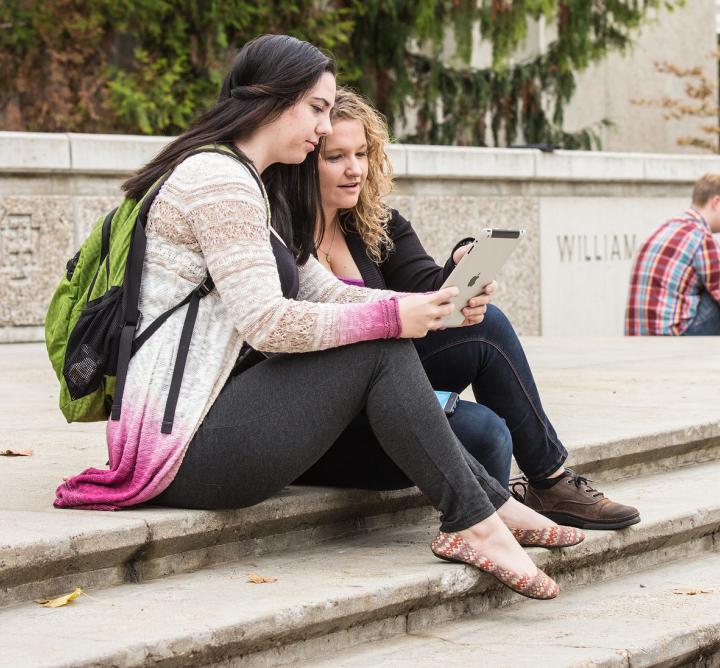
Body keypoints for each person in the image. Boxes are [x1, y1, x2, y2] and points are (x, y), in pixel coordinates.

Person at [53, 35, 584, 600]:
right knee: (379, 346)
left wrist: (418, 308)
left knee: (388, 337)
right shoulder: (218, 183)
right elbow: (268, 323)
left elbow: (321, 291)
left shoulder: (246, 182)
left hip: (203, 430)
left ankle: (489, 510)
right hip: (183, 449)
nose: (326, 127)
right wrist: (391, 319)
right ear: (274, 100)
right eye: (319, 108)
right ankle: (476, 523)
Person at [299, 86, 640, 531]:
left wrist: (462, 264)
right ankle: (493, 520)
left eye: (362, 154)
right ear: (306, 162)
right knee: (483, 431)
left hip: (389, 390)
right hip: (327, 416)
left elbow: (428, 287)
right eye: (335, 157)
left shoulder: (377, 227)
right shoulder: (281, 235)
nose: (354, 170)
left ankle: (548, 482)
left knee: (486, 335)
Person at [626, 172, 720, 336]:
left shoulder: (664, 228)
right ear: (717, 202)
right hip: (674, 339)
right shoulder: (701, 236)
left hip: (637, 337)